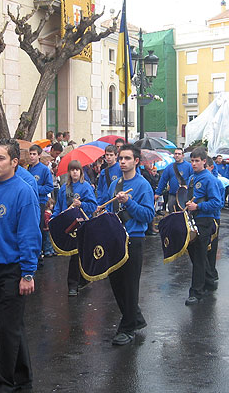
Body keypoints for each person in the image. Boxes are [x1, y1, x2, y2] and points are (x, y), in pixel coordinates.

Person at [0, 139, 41, 392]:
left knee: (7, 329)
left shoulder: (23, 191)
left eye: (0, 158)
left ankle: (1, 383)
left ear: (14, 162)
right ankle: (23, 377)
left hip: (14, 270)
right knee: (10, 326)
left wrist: (27, 273)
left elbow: (29, 235)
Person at [98, 143, 154, 345]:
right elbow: (111, 212)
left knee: (130, 286)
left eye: (127, 158)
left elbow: (148, 216)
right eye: (121, 158)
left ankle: (127, 328)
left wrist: (129, 202)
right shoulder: (115, 185)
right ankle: (135, 318)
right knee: (117, 285)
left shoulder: (143, 185)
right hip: (115, 240)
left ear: (136, 161)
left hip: (134, 240)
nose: (122, 161)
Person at [183, 148, 223, 305]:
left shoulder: (209, 179)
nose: (193, 163)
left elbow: (217, 203)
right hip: (192, 219)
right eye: (192, 161)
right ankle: (209, 280)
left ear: (204, 161)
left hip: (204, 220)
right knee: (194, 254)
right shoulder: (192, 178)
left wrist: (198, 207)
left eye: (197, 161)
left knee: (199, 257)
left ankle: (196, 292)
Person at [52, 160, 97, 296]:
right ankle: (77, 282)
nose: (74, 172)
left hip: (82, 225)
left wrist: (81, 204)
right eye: (72, 170)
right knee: (74, 254)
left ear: (81, 171)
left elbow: (93, 206)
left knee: (80, 253)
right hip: (68, 225)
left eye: (77, 169)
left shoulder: (86, 187)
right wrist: (54, 219)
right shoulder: (63, 189)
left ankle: (78, 282)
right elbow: (58, 207)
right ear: (69, 172)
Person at [28, 145, 54, 257]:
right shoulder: (27, 169)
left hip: (40, 202)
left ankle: (39, 253)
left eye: (34, 154)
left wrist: (35, 188)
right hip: (29, 202)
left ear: (39, 155)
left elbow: (49, 186)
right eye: (30, 154)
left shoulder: (44, 170)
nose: (32, 156)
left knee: (38, 227)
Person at [205, 157, 224, 288]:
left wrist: (202, 205)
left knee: (212, 247)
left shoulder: (217, 182)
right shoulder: (195, 179)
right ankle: (209, 273)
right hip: (201, 218)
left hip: (213, 218)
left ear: (211, 167)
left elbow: (219, 203)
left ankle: (211, 272)